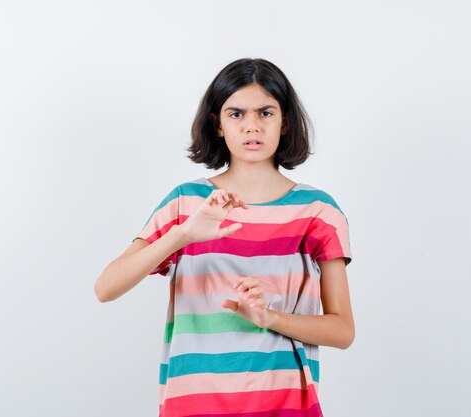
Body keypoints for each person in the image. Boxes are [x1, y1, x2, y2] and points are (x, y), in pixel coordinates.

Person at [94, 57, 354, 417]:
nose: (252, 126)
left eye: (265, 113)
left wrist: (270, 317)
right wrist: (184, 234)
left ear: (285, 121)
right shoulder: (187, 203)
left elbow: (343, 330)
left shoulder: (317, 211)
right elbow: (106, 288)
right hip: (194, 406)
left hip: (284, 407)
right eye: (236, 114)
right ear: (217, 124)